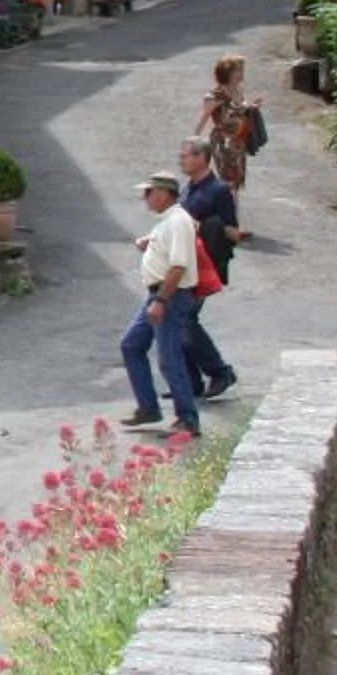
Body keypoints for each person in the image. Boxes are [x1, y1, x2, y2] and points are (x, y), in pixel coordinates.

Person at [122, 171, 202, 435]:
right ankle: (148, 407)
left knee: (169, 357)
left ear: (165, 193)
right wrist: (150, 244)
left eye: (149, 192)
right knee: (132, 345)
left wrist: (160, 301)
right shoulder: (168, 221)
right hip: (159, 295)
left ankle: (188, 418)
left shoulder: (177, 221)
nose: (145, 197)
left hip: (169, 296)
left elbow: (178, 267)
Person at [177, 137, 240, 402]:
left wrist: (199, 225)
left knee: (185, 320)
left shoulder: (218, 190)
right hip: (182, 264)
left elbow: (233, 232)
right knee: (177, 322)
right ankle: (190, 383)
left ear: (202, 157)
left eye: (186, 155)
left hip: (204, 266)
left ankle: (220, 372)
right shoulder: (186, 190)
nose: (181, 160)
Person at [195, 53, 260, 192]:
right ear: (228, 73)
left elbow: (240, 107)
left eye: (242, 69)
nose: (242, 73)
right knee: (228, 179)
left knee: (237, 179)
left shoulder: (239, 89)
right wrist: (194, 138)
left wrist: (251, 107)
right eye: (239, 70)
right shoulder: (217, 94)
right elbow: (205, 114)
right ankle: (227, 209)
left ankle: (232, 209)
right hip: (223, 141)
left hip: (239, 140)